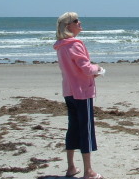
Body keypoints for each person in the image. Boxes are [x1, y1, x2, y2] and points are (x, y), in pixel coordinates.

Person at [54, 12, 105, 179]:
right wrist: (99, 69)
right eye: (76, 21)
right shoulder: (75, 44)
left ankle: (71, 167)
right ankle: (88, 171)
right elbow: (86, 68)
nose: (79, 22)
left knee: (73, 128)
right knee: (86, 131)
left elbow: (75, 69)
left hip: (69, 91)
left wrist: (91, 71)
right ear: (68, 26)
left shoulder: (61, 45)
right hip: (82, 93)